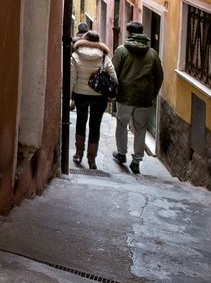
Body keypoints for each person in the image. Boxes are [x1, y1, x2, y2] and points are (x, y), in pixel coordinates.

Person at [112, 21, 164, 175]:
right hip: (144, 97)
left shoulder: (121, 51)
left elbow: (113, 72)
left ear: (129, 33)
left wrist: (114, 92)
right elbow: (160, 76)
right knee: (140, 128)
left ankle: (121, 154)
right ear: (142, 33)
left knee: (122, 124)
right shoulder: (152, 53)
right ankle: (136, 161)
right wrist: (153, 93)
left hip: (125, 95)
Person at [70, 30, 117, 169]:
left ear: (84, 40)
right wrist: (110, 95)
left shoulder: (76, 55)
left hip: (80, 95)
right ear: (97, 42)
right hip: (99, 97)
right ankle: (92, 160)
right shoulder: (104, 57)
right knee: (95, 126)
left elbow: (71, 78)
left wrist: (69, 96)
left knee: (81, 121)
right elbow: (113, 78)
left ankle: (79, 153)